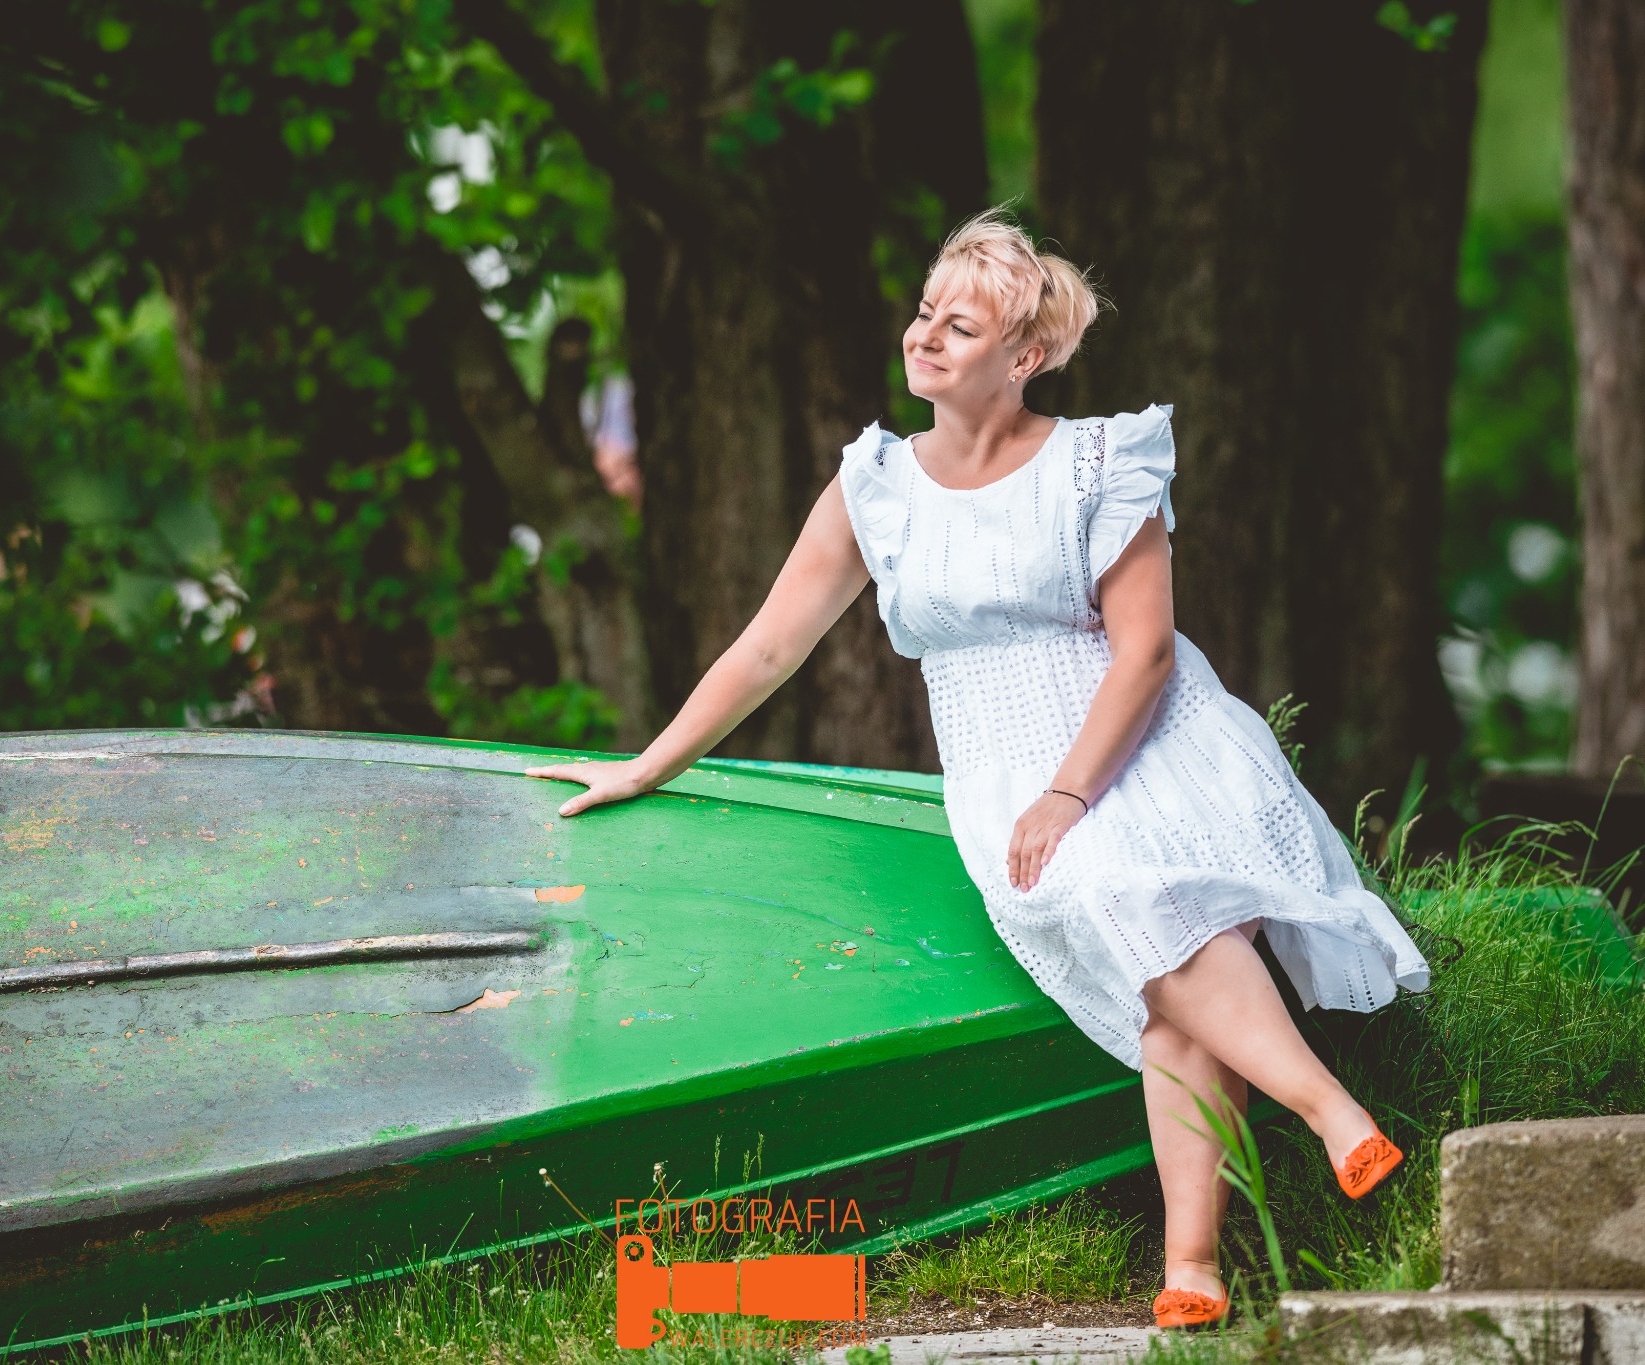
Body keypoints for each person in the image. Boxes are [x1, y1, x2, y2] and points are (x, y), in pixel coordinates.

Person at [527, 210, 1429, 1330]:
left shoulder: (1101, 460)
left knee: (1153, 923)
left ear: (1025, 355)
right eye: (922, 316)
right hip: (1000, 764)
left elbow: (1143, 651)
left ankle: (1214, 1239)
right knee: (1157, 967)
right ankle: (1296, 1151)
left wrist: (1069, 795)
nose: (925, 338)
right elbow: (769, 646)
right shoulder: (877, 488)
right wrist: (646, 764)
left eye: (959, 326)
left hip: (1142, 739)